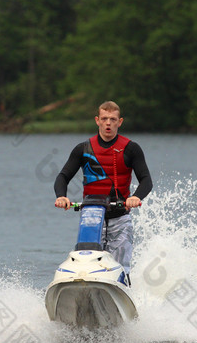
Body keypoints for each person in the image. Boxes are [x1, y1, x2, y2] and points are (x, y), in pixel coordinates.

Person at [54, 101, 153, 283]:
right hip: (91, 217)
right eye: (105, 119)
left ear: (120, 122)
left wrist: (136, 197)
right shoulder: (82, 149)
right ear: (97, 120)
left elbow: (146, 180)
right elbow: (63, 176)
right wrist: (61, 196)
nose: (108, 123)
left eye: (113, 119)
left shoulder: (131, 148)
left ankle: (125, 294)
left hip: (120, 217)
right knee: (87, 263)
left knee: (120, 267)